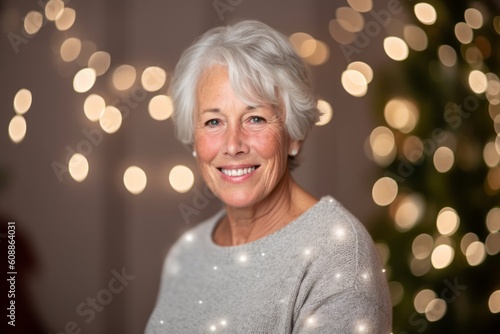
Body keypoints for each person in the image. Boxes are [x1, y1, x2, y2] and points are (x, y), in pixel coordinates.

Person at [145, 20, 392, 333]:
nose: (233, 145)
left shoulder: (336, 255)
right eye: (213, 122)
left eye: (256, 118)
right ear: (193, 138)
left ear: (293, 134)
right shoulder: (186, 253)